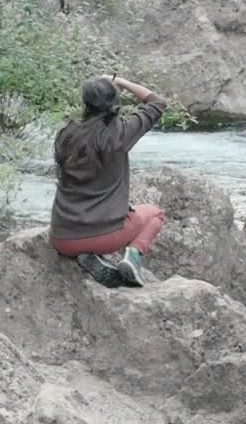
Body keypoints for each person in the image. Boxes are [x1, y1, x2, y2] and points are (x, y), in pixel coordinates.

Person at [49, 74, 167, 287]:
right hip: (104, 237)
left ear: (85, 103)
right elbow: (157, 102)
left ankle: (90, 258)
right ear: (114, 103)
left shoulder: (66, 133)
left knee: (125, 215)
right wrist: (121, 82)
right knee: (155, 213)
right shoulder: (120, 132)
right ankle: (133, 256)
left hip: (61, 238)